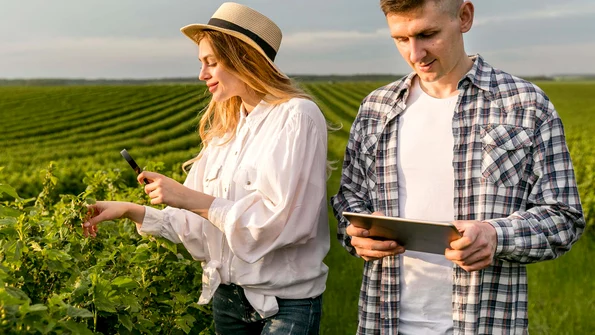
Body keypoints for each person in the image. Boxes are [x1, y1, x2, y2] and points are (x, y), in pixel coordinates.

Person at [330, 0, 585, 334]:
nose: (415, 54)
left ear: (464, 17)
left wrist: (496, 236)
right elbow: (349, 201)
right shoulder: (376, 108)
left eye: (427, 34)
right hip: (383, 321)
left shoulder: (525, 104)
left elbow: (563, 215)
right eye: (401, 39)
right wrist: (356, 235)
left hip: (486, 323)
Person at [83, 2, 330, 334]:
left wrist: (191, 198)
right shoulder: (224, 133)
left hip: (284, 306)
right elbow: (199, 227)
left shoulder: (296, 116)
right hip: (226, 301)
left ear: (243, 59)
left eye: (211, 62)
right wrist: (131, 210)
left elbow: (281, 223)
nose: (202, 74)